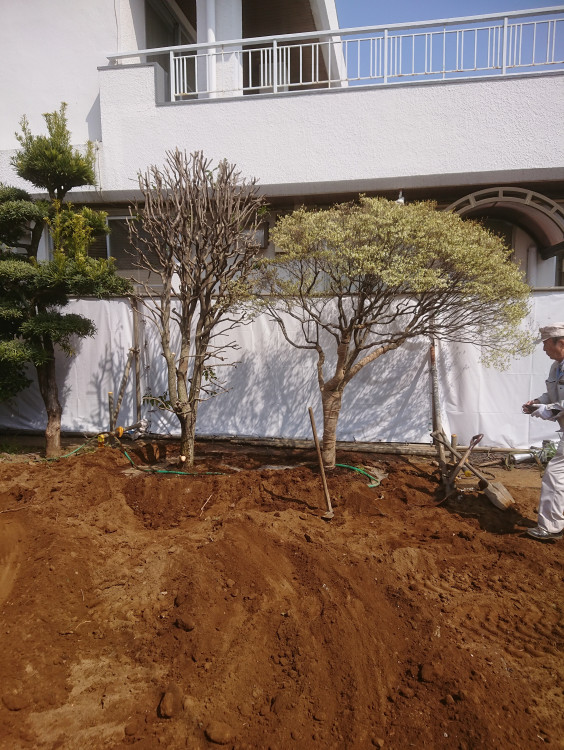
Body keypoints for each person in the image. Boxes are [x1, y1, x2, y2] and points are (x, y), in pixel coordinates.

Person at [522, 323, 564, 540]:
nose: (544, 349)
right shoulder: (557, 367)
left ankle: (551, 527)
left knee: (555, 476)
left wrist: (544, 410)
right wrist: (538, 402)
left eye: (546, 343)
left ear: (561, 343)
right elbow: (554, 395)